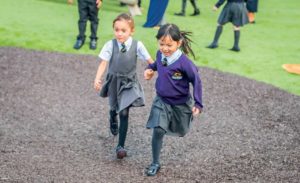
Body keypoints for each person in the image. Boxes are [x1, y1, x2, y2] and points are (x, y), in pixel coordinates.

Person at [144, 23, 203, 176]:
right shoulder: (160, 54)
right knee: (158, 129)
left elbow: (196, 80)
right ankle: (155, 162)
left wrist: (198, 103)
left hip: (180, 104)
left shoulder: (184, 63)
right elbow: (156, 64)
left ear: (179, 43)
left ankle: (185, 118)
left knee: (182, 131)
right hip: (162, 100)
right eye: (161, 44)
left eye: (169, 45)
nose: (165, 48)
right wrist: (149, 69)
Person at [94, 13, 153, 159]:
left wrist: (151, 71)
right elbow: (103, 63)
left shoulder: (137, 45)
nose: (119, 33)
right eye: (116, 30)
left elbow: (150, 61)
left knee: (124, 112)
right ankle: (112, 116)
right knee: (114, 108)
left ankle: (120, 146)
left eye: (123, 30)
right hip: (114, 81)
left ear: (131, 31)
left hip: (129, 83)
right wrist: (97, 78)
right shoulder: (110, 44)